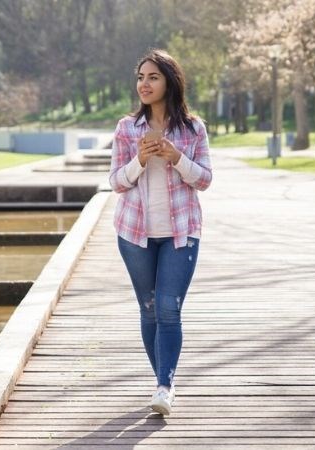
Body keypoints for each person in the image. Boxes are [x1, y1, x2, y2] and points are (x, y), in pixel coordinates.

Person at [109, 49, 212, 416]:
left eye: (152, 77)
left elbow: (205, 180)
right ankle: (162, 382)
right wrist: (138, 160)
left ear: (169, 81)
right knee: (150, 309)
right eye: (140, 77)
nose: (144, 84)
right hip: (134, 234)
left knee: (170, 309)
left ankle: (165, 387)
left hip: (181, 233)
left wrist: (175, 157)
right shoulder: (126, 129)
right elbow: (116, 183)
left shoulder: (193, 129)